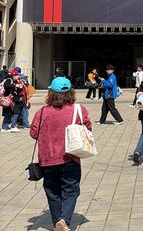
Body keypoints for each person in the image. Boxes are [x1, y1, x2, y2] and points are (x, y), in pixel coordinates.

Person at [30, 77, 92, 231]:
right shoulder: (78, 109)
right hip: (70, 156)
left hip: (47, 158)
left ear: (51, 93)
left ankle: (58, 221)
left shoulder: (42, 112)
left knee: (52, 191)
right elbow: (88, 128)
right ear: (70, 92)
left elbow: (33, 133)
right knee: (71, 189)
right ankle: (64, 220)